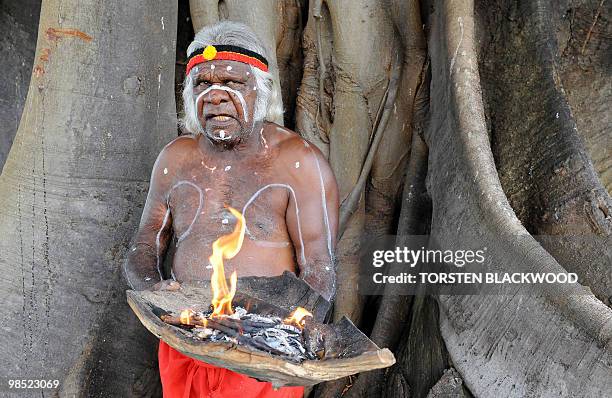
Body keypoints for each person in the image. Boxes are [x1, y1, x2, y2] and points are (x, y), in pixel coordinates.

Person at [123, 20, 339, 398]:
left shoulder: (298, 162)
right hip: (185, 343)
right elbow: (143, 249)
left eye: (232, 83)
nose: (216, 96)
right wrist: (155, 294)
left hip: (264, 354)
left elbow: (319, 267)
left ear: (261, 90)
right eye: (202, 85)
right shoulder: (175, 159)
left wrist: (297, 326)